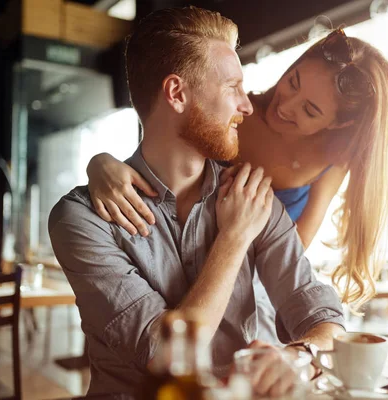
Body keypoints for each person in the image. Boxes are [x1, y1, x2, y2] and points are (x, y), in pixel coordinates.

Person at [49, 6, 345, 397]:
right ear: (177, 94)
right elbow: (165, 356)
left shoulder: (253, 197)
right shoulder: (84, 219)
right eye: (231, 87)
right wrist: (234, 238)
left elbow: (324, 319)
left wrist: (301, 356)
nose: (247, 105)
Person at [86, 25, 388, 316]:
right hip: (176, 273)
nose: (286, 105)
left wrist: (240, 230)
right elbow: (165, 158)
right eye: (293, 82)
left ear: (339, 123)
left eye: (309, 110)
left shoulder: (332, 159)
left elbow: (289, 257)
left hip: (254, 294)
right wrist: (100, 164)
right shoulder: (236, 114)